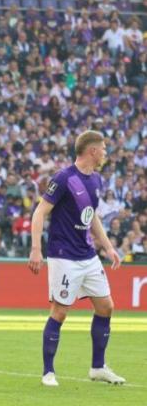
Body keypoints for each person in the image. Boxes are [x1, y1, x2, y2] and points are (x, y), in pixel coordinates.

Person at [28, 130, 126, 387]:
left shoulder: (96, 180)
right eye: (103, 148)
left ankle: (97, 367)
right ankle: (48, 372)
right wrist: (35, 249)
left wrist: (108, 247)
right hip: (64, 256)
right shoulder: (63, 178)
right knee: (60, 312)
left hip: (88, 254)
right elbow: (39, 212)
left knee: (106, 306)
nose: (105, 152)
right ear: (92, 150)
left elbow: (91, 216)